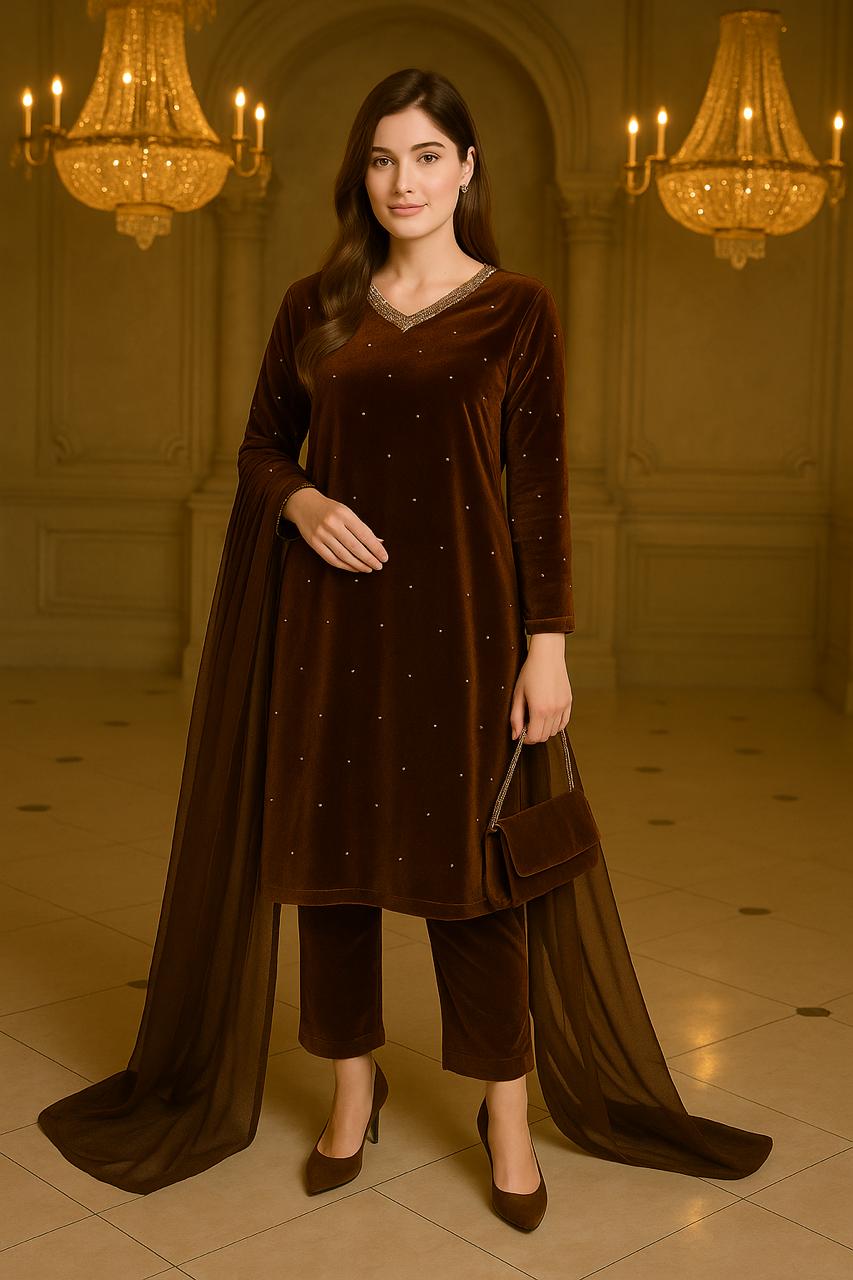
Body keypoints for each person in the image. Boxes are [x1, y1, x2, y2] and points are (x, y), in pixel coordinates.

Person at [37, 68, 773, 1222]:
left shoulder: (516, 309)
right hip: (327, 633)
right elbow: (260, 447)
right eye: (383, 160)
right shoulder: (316, 305)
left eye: (427, 156)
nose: (403, 181)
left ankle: (507, 1114)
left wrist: (549, 648)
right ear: (360, 175)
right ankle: (350, 1090)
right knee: (331, 875)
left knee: (476, 885)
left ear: (467, 168)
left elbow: (539, 492)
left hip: (472, 641)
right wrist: (300, 504)